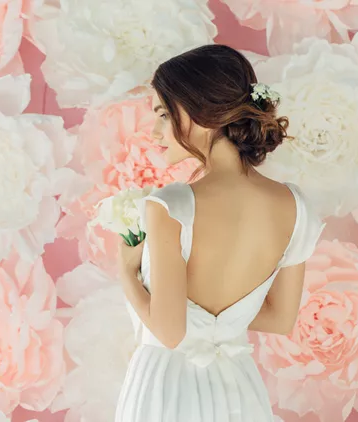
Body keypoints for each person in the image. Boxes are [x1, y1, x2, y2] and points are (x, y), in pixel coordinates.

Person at [114, 44, 324, 421]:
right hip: (238, 390)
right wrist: (218, 324)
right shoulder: (297, 207)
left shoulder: (172, 205)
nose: (155, 130)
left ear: (201, 112)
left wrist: (127, 274)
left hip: (165, 390)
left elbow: (170, 333)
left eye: (163, 115)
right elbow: (280, 318)